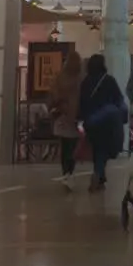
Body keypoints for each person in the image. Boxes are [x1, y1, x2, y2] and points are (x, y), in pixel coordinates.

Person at [78, 53, 129, 192]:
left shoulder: (85, 82)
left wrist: (82, 119)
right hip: (107, 122)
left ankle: (100, 177)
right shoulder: (108, 80)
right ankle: (98, 174)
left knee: (97, 149)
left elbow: (81, 103)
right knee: (105, 150)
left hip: (91, 122)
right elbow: (118, 99)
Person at [49, 51, 83, 180]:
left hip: (62, 114)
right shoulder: (81, 78)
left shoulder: (60, 77)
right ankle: (70, 170)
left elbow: (54, 94)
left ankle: (65, 172)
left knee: (64, 146)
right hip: (76, 116)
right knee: (73, 146)